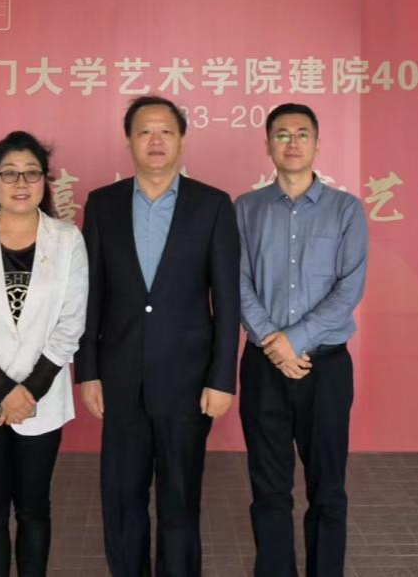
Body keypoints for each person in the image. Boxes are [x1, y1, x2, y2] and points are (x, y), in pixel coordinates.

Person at [76, 95, 241, 577]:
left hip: (187, 382)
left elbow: (226, 300)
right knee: (122, 500)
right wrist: (88, 371)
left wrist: (222, 379)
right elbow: (91, 295)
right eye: (144, 131)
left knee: (179, 500)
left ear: (181, 141)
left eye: (166, 131)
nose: (155, 141)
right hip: (120, 379)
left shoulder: (212, 205)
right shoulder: (103, 205)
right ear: (128, 140)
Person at [0, 130, 88, 577]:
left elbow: (71, 324)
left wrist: (30, 392)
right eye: (9, 174)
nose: (21, 183)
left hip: (40, 398)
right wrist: (5, 392)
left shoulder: (68, 240)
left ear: (45, 181)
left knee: (33, 508)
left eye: (31, 173)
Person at [235, 103, 367, 577]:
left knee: (327, 488)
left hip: (325, 367)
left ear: (317, 143)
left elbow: (349, 288)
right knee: (269, 489)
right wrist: (274, 343)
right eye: (282, 134)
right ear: (268, 144)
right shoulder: (245, 209)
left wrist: (295, 339)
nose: (292, 143)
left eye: (302, 134)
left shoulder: (346, 210)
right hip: (263, 367)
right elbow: (237, 282)